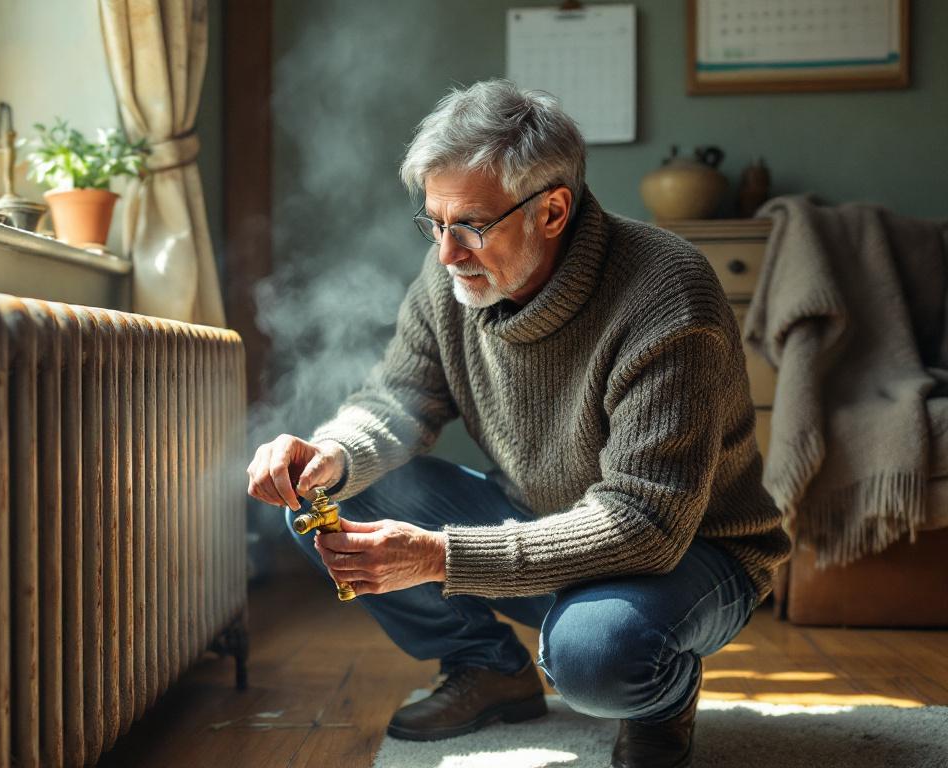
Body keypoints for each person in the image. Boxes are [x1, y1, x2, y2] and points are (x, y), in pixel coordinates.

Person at [246, 79, 791, 768]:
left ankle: (660, 695)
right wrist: (328, 452)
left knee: (595, 658)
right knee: (328, 494)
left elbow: (645, 525)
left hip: (688, 556)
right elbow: (396, 399)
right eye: (434, 223)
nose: (447, 253)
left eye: (469, 224)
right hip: (536, 523)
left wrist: (440, 555)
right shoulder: (452, 276)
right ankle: (490, 670)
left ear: (553, 211)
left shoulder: (666, 292)